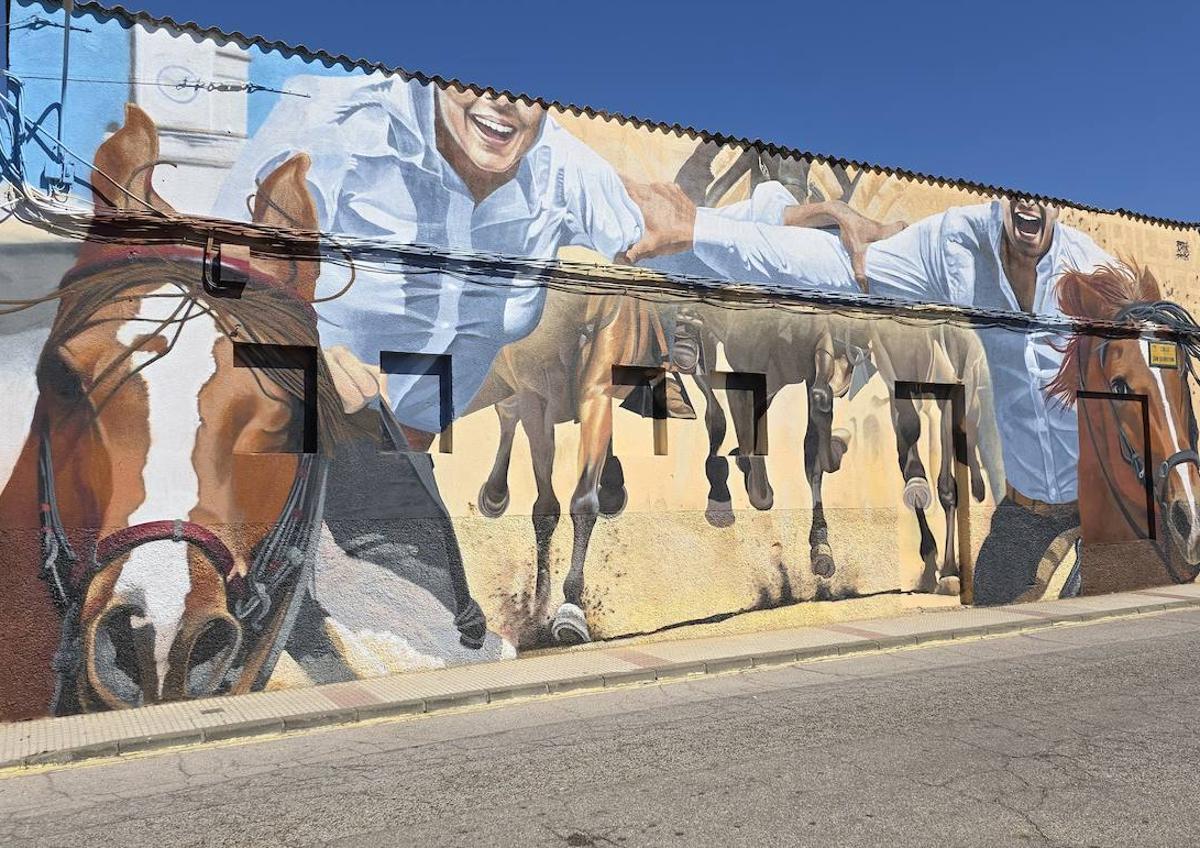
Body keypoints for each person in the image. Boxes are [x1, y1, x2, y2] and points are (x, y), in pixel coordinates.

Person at [215, 74, 651, 649]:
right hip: (293, 444)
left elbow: (696, 241)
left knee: (455, 629)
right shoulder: (328, 121)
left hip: (387, 459)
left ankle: (662, 383)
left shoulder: (562, 173)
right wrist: (307, 357)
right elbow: (215, 278)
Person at [625, 180, 1115, 604]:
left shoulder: (1094, 267)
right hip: (1026, 509)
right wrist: (697, 230)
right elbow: (827, 260)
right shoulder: (951, 241)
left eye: (1041, 194)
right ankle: (671, 355)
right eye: (1016, 191)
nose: (1029, 203)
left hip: (1100, 497)